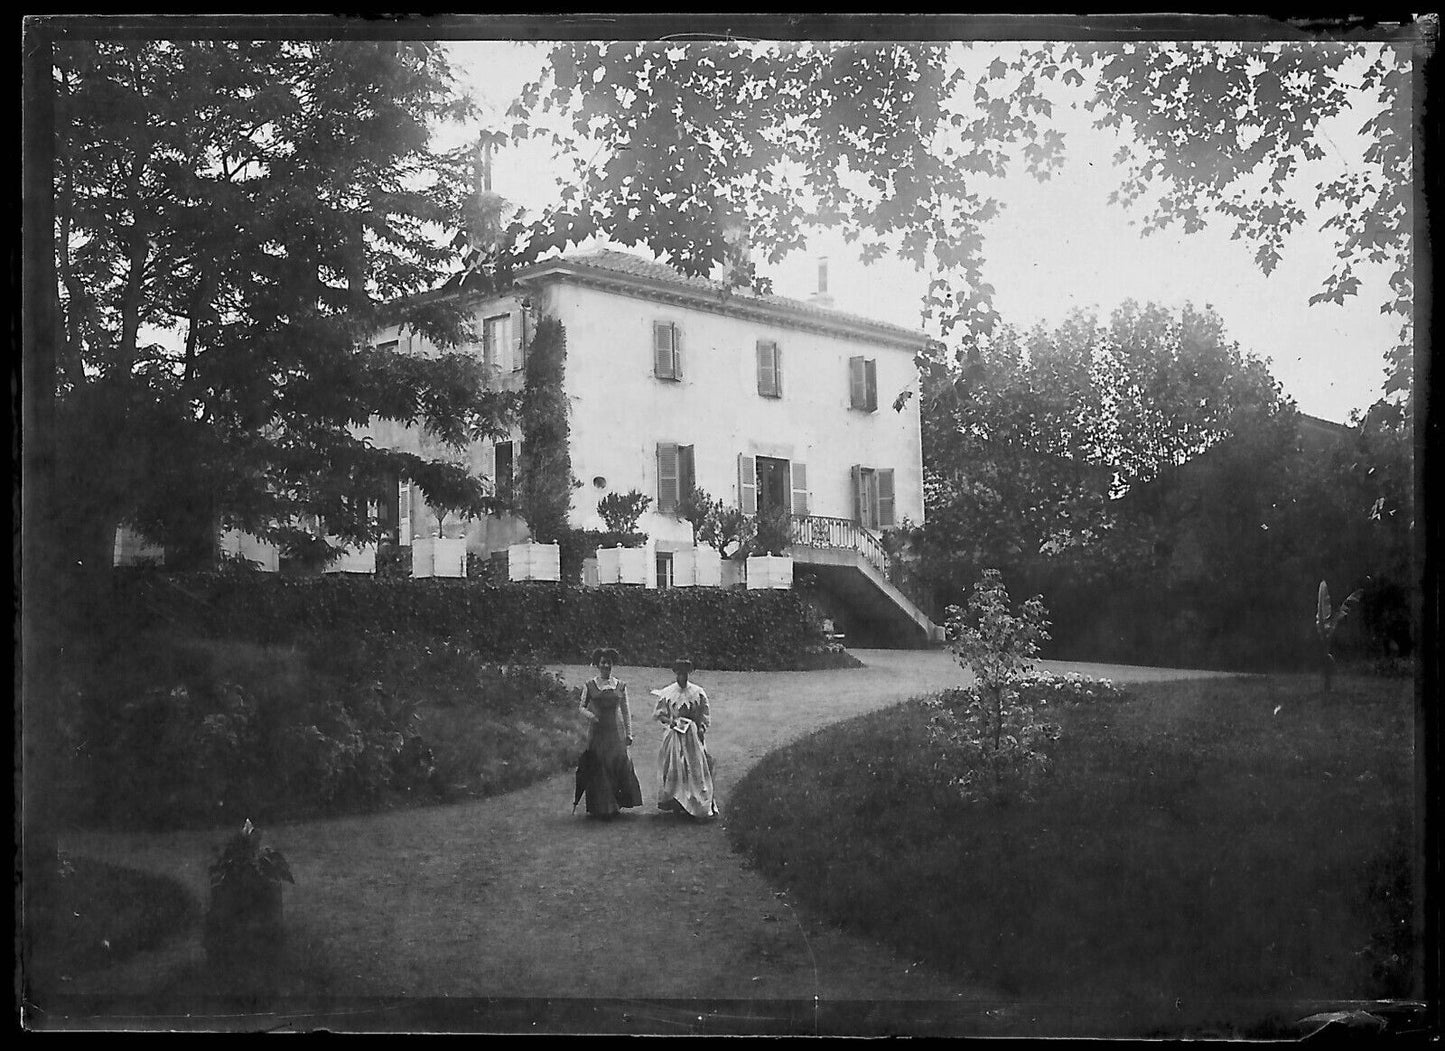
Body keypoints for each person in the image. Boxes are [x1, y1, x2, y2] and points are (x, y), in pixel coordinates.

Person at [575, 647, 643, 819]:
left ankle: (615, 804)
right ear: (598, 664)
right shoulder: (590, 685)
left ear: (612, 665)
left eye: (609, 663)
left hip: (615, 731)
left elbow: (626, 711)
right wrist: (591, 716)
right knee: (599, 765)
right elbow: (581, 707)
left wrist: (629, 733)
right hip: (597, 731)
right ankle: (601, 806)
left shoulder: (620, 685)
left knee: (616, 764)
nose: (606, 666)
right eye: (603, 662)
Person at [651, 658, 719, 819]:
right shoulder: (668, 693)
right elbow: (660, 714)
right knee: (675, 766)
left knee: (695, 766)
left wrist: (701, 728)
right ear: (675, 673)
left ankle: (695, 801)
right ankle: (676, 802)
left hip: (692, 736)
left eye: (685, 673)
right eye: (680, 673)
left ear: (689, 673)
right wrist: (670, 722)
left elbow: (704, 714)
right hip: (674, 735)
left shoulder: (697, 692)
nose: (683, 676)